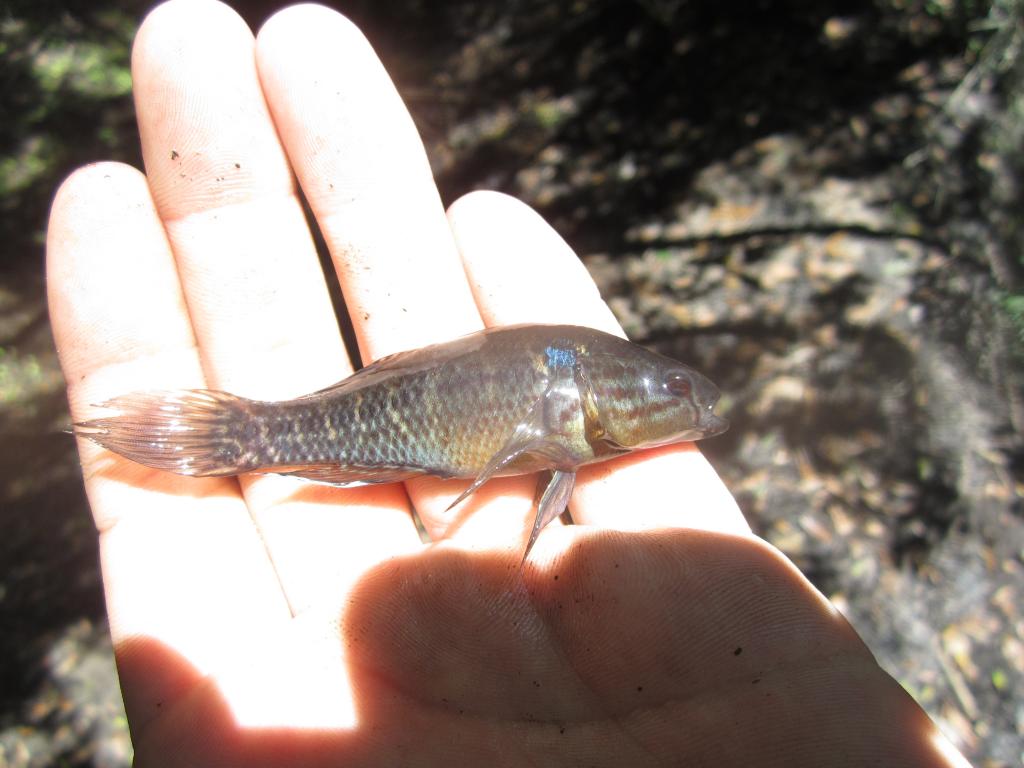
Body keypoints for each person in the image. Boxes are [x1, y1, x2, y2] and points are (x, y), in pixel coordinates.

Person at [46, 1, 969, 765]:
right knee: (271, 428)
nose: (690, 407)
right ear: (593, 392)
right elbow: (518, 449)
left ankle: (224, 434)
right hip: (378, 423)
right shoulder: (564, 406)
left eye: (681, 394)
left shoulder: (573, 416)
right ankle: (222, 434)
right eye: (671, 390)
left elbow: (536, 457)